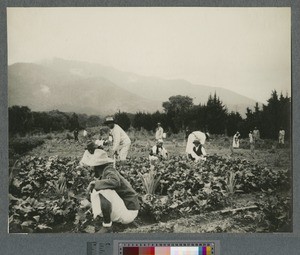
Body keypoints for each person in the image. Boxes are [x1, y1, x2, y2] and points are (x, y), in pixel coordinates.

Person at [79, 142, 140, 233]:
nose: (90, 169)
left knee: (102, 190)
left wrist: (94, 183)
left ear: (97, 166)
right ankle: (107, 222)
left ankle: (107, 225)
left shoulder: (109, 170)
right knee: (97, 188)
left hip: (129, 210)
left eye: (91, 166)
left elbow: (115, 182)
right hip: (126, 209)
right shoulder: (103, 174)